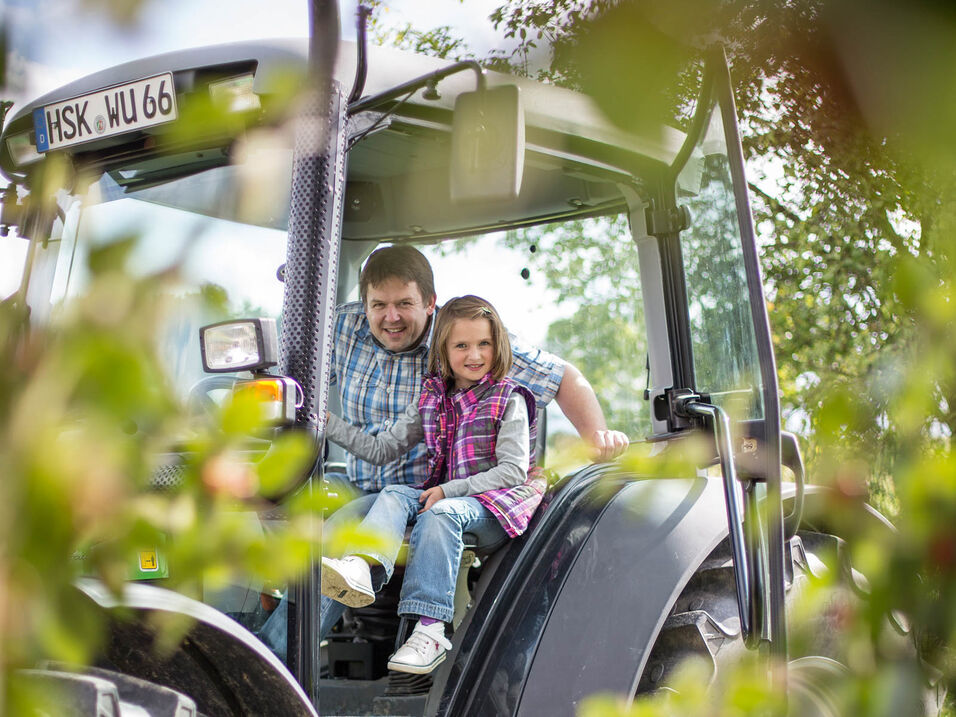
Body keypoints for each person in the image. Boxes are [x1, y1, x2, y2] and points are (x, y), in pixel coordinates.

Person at [258, 244, 628, 658]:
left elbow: (562, 378)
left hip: (429, 492)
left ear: (430, 304)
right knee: (261, 515)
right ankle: (267, 619)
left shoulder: (461, 341)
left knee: (337, 535)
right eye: (378, 304)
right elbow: (302, 398)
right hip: (361, 480)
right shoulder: (344, 329)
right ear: (364, 304)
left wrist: (599, 438)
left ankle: (271, 659)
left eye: (404, 304)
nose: (390, 317)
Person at [321, 295, 544, 673]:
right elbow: (381, 448)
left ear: (498, 345)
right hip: (451, 503)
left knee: (439, 510)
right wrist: (325, 422)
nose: (474, 355)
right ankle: (363, 566)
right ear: (443, 349)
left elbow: (512, 472)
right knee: (392, 493)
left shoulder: (509, 399)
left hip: (495, 510)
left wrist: (448, 490)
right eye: (462, 345)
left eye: (483, 344)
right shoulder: (433, 398)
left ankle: (430, 629)